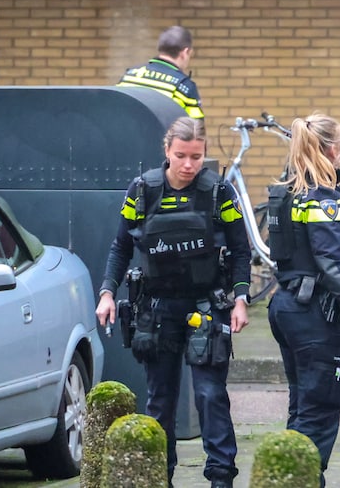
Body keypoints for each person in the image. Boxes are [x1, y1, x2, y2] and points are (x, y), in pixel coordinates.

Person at [94, 116, 251, 488]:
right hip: (158, 309)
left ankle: (221, 479)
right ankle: (158, 476)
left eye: (196, 156)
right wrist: (107, 293)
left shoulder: (219, 192)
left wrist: (241, 299)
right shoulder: (142, 191)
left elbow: (241, 249)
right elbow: (121, 247)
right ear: (167, 151)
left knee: (210, 395)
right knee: (160, 399)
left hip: (207, 306)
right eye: (181, 156)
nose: (188, 165)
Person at [265, 113, 340, 487]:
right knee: (319, 412)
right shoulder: (322, 198)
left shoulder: (288, 192)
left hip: (288, 306)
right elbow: (332, 263)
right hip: (318, 315)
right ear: (333, 149)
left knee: (302, 407)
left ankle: (290, 480)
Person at [118, 25, 205, 119]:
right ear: (185, 52)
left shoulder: (130, 75)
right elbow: (196, 126)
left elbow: (114, 107)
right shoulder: (184, 86)